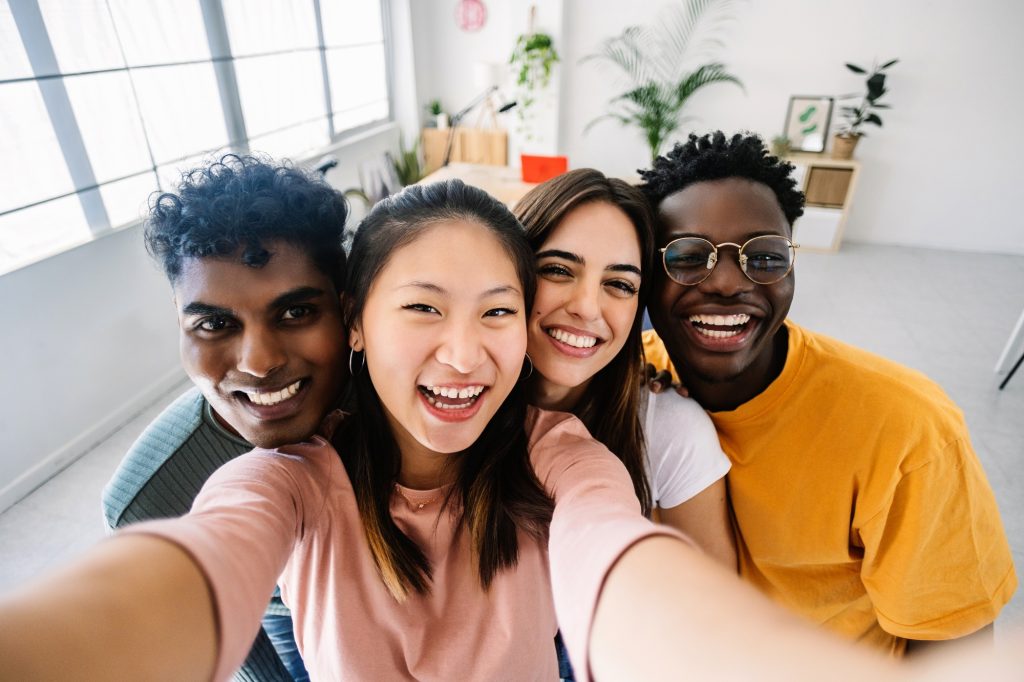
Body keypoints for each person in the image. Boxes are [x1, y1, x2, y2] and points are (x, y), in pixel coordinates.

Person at [1, 179, 1022, 681]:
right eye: (421, 308)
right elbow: (198, 560)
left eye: (496, 309)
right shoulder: (291, 473)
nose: (463, 351)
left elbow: (622, 561)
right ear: (357, 319)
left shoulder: (568, 450)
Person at [639, 131, 1018, 655]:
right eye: (686, 256)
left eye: (765, 257)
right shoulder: (624, 380)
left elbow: (951, 646)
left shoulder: (906, 428)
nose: (727, 282)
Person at [102, 154, 350, 681]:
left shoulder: (404, 396)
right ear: (180, 320)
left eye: (295, 312)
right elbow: (235, 650)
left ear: (347, 308)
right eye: (215, 322)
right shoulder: (152, 497)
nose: (259, 362)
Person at [514, 169, 735, 569]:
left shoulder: (668, 427)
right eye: (558, 270)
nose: (586, 306)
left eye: (619, 284)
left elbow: (715, 607)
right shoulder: (452, 398)